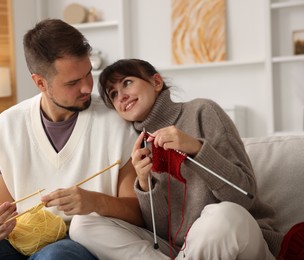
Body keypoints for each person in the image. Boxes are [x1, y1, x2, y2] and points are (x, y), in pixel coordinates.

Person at [0, 20, 143, 260]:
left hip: (83, 239)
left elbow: (139, 214)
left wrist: (94, 202)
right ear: (40, 82)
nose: (86, 87)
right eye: (72, 83)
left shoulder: (115, 122)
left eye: (88, 73)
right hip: (21, 238)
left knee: (54, 257)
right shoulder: (8, 126)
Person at [70, 59, 284, 259]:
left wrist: (196, 149)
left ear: (156, 82)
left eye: (127, 83)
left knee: (222, 215)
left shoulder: (202, 111)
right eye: (113, 94)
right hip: (180, 250)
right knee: (83, 224)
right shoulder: (136, 144)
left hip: (239, 236)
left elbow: (243, 196)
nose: (121, 96)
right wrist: (145, 183)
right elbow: (162, 232)